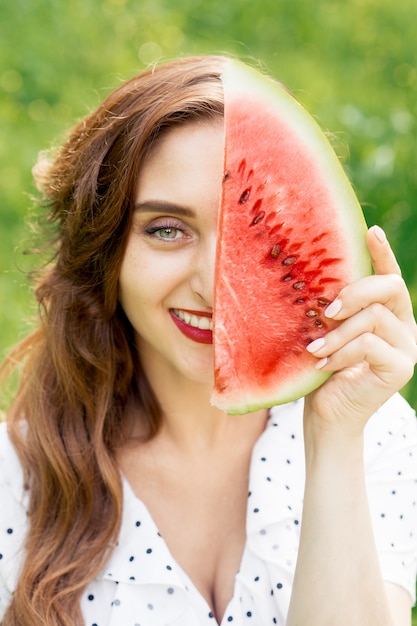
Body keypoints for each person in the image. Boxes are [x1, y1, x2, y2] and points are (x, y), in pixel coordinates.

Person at [0, 55, 416, 626]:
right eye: (166, 229)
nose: (212, 284)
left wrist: (336, 438)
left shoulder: (377, 436)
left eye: (258, 236)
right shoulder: (10, 478)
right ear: (104, 250)